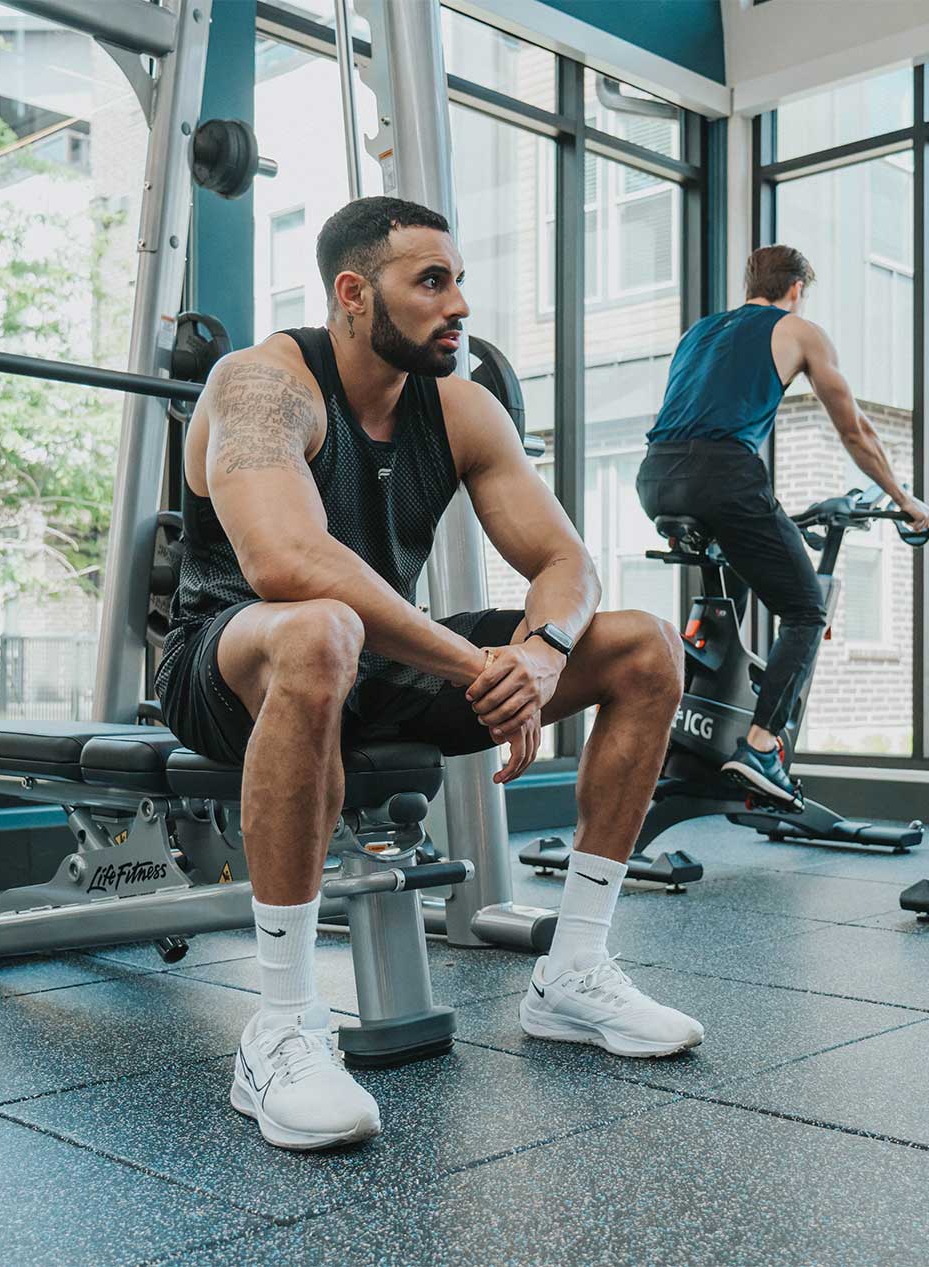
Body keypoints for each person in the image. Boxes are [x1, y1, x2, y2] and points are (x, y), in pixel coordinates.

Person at [155, 196, 702, 1152]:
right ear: (354, 294)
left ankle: (572, 972)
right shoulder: (260, 386)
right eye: (432, 282)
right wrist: (475, 661)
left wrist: (539, 656)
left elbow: (567, 563)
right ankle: (281, 1024)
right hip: (234, 657)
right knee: (320, 628)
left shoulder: (458, 409)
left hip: (376, 657)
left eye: (460, 282)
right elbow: (287, 562)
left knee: (645, 645)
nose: (458, 306)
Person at [637, 244, 929, 805]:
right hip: (727, 478)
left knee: (742, 577)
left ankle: (698, 728)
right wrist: (906, 500)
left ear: (751, 282)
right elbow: (856, 433)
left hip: (655, 479)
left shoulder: (699, 333)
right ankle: (761, 746)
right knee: (804, 609)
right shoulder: (800, 332)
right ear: (796, 288)